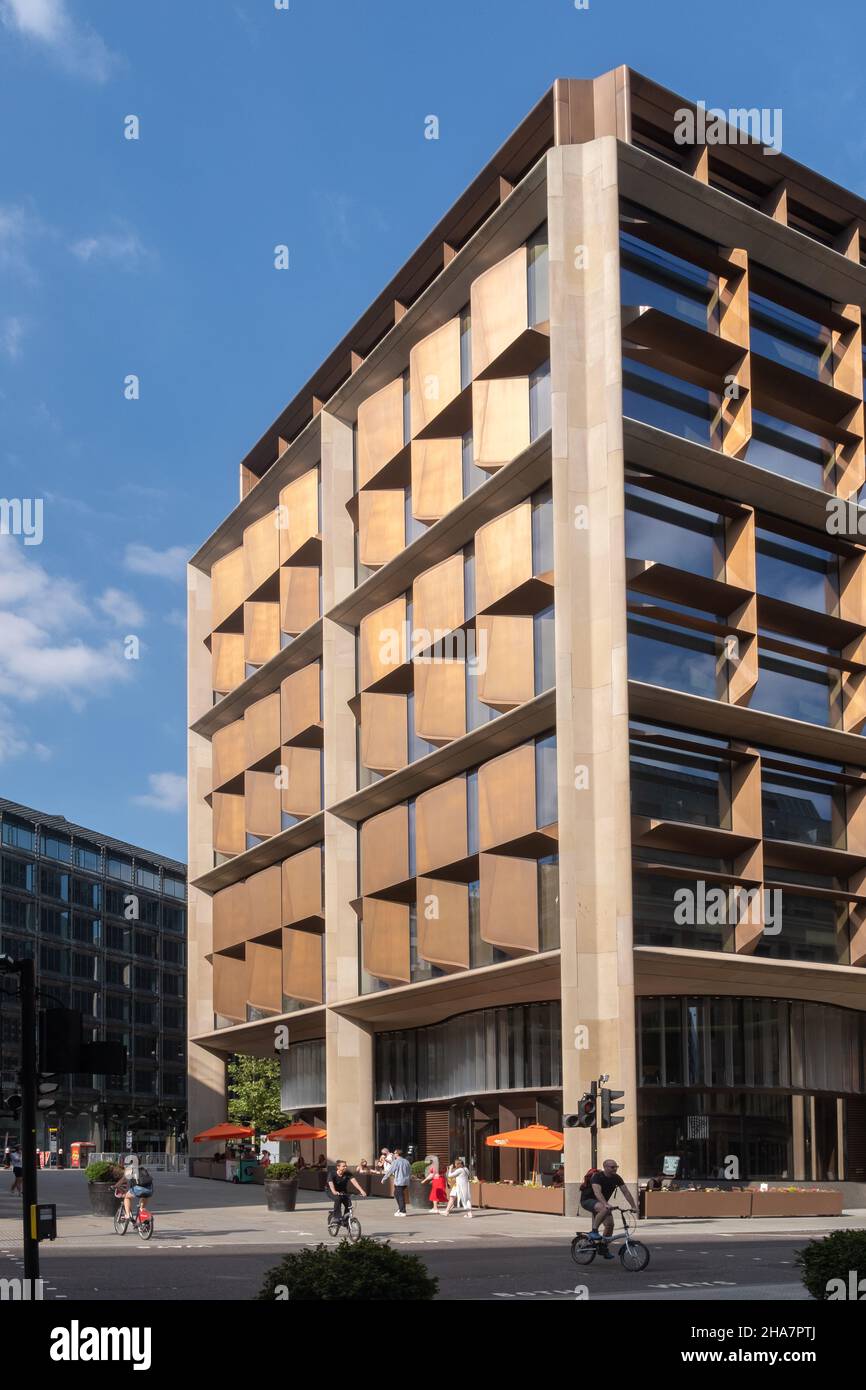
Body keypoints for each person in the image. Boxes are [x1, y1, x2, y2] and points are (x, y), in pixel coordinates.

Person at [579, 1158, 637, 1258]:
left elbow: (626, 1192)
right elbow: (598, 1192)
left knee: (610, 1225)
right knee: (604, 1208)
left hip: (601, 1203)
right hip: (587, 1200)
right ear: (605, 1167)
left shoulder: (617, 1178)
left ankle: (603, 1247)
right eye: (612, 1167)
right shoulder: (597, 1177)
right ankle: (594, 1231)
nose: (615, 1169)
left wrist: (633, 1206)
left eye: (616, 1167)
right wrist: (606, 1204)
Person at [327, 1159, 366, 1224]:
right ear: (338, 1167)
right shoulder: (332, 1174)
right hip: (330, 1190)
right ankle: (336, 1217)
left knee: (348, 1204)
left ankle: (346, 1220)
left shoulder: (348, 1173)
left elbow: (354, 1182)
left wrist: (361, 1190)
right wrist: (334, 1191)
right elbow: (330, 1183)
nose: (345, 1167)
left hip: (342, 1191)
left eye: (346, 1166)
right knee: (338, 1198)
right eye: (343, 1166)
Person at [121, 1153, 154, 1222]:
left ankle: (127, 1215)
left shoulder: (131, 1169)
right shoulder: (144, 1169)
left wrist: (116, 1186)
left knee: (127, 1197)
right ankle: (143, 1217)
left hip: (139, 1189)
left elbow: (124, 1179)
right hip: (149, 1190)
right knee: (143, 1204)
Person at [384, 1147, 411, 1215]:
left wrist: (384, 1178)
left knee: (400, 1195)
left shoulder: (396, 1161)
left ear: (397, 1154)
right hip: (405, 1181)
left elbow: (391, 1170)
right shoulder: (406, 1161)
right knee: (396, 1194)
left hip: (399, 1181)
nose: (393, 1154)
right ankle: (400, 1209)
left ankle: (403, 1211)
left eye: (394, 1153)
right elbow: (410, 1171)